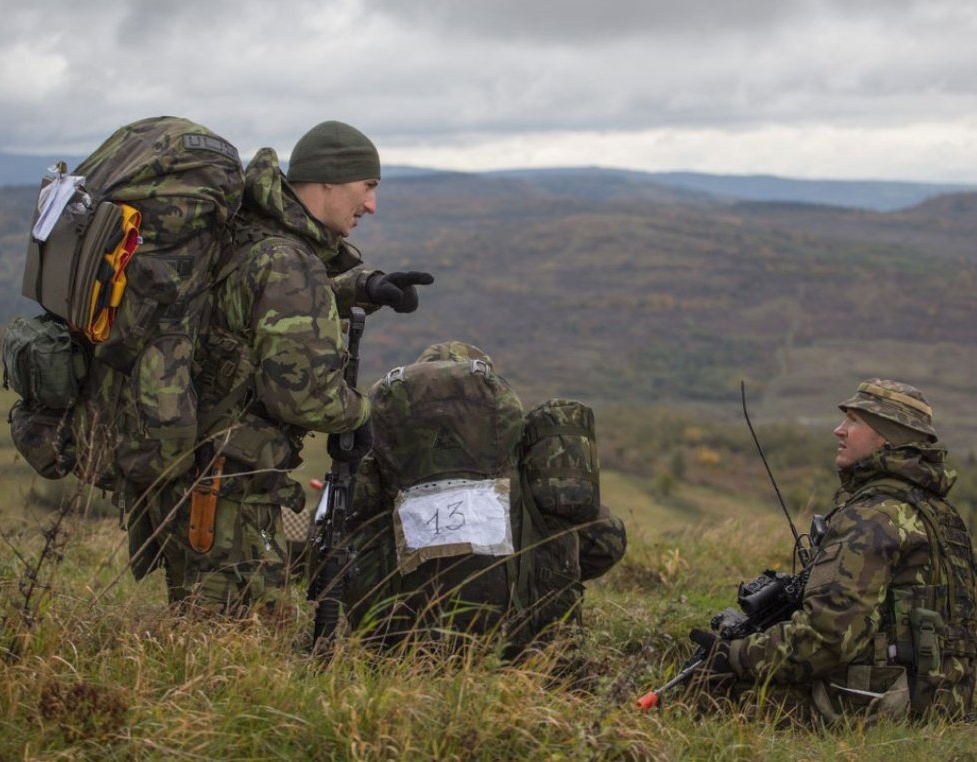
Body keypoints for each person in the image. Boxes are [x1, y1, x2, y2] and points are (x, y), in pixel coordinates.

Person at [135, 120, 434, 616]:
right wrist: (361, 416)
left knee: (217, 631)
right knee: (240, 639)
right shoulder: (286, 258)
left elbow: (258, 309)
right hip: (228, 488)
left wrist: (362, 288)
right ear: (330, 180)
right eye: (369, 187)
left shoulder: (257, 232)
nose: (371, 206)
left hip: (206, 473)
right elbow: (304, 395)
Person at [688, 379, 977, 723]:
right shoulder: (940, 513)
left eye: (854, 421)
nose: (838, 430)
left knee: (716, 692)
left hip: (887, 708)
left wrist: (733, 655)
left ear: (886, 436)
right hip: (951, 702)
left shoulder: (871, 518)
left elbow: (826, 639)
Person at [339, 341, 627, 657]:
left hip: (397, 644)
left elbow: (338, 548)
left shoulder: (380, 461)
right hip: (526, 646)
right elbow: (607, 543)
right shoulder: (524, 458)